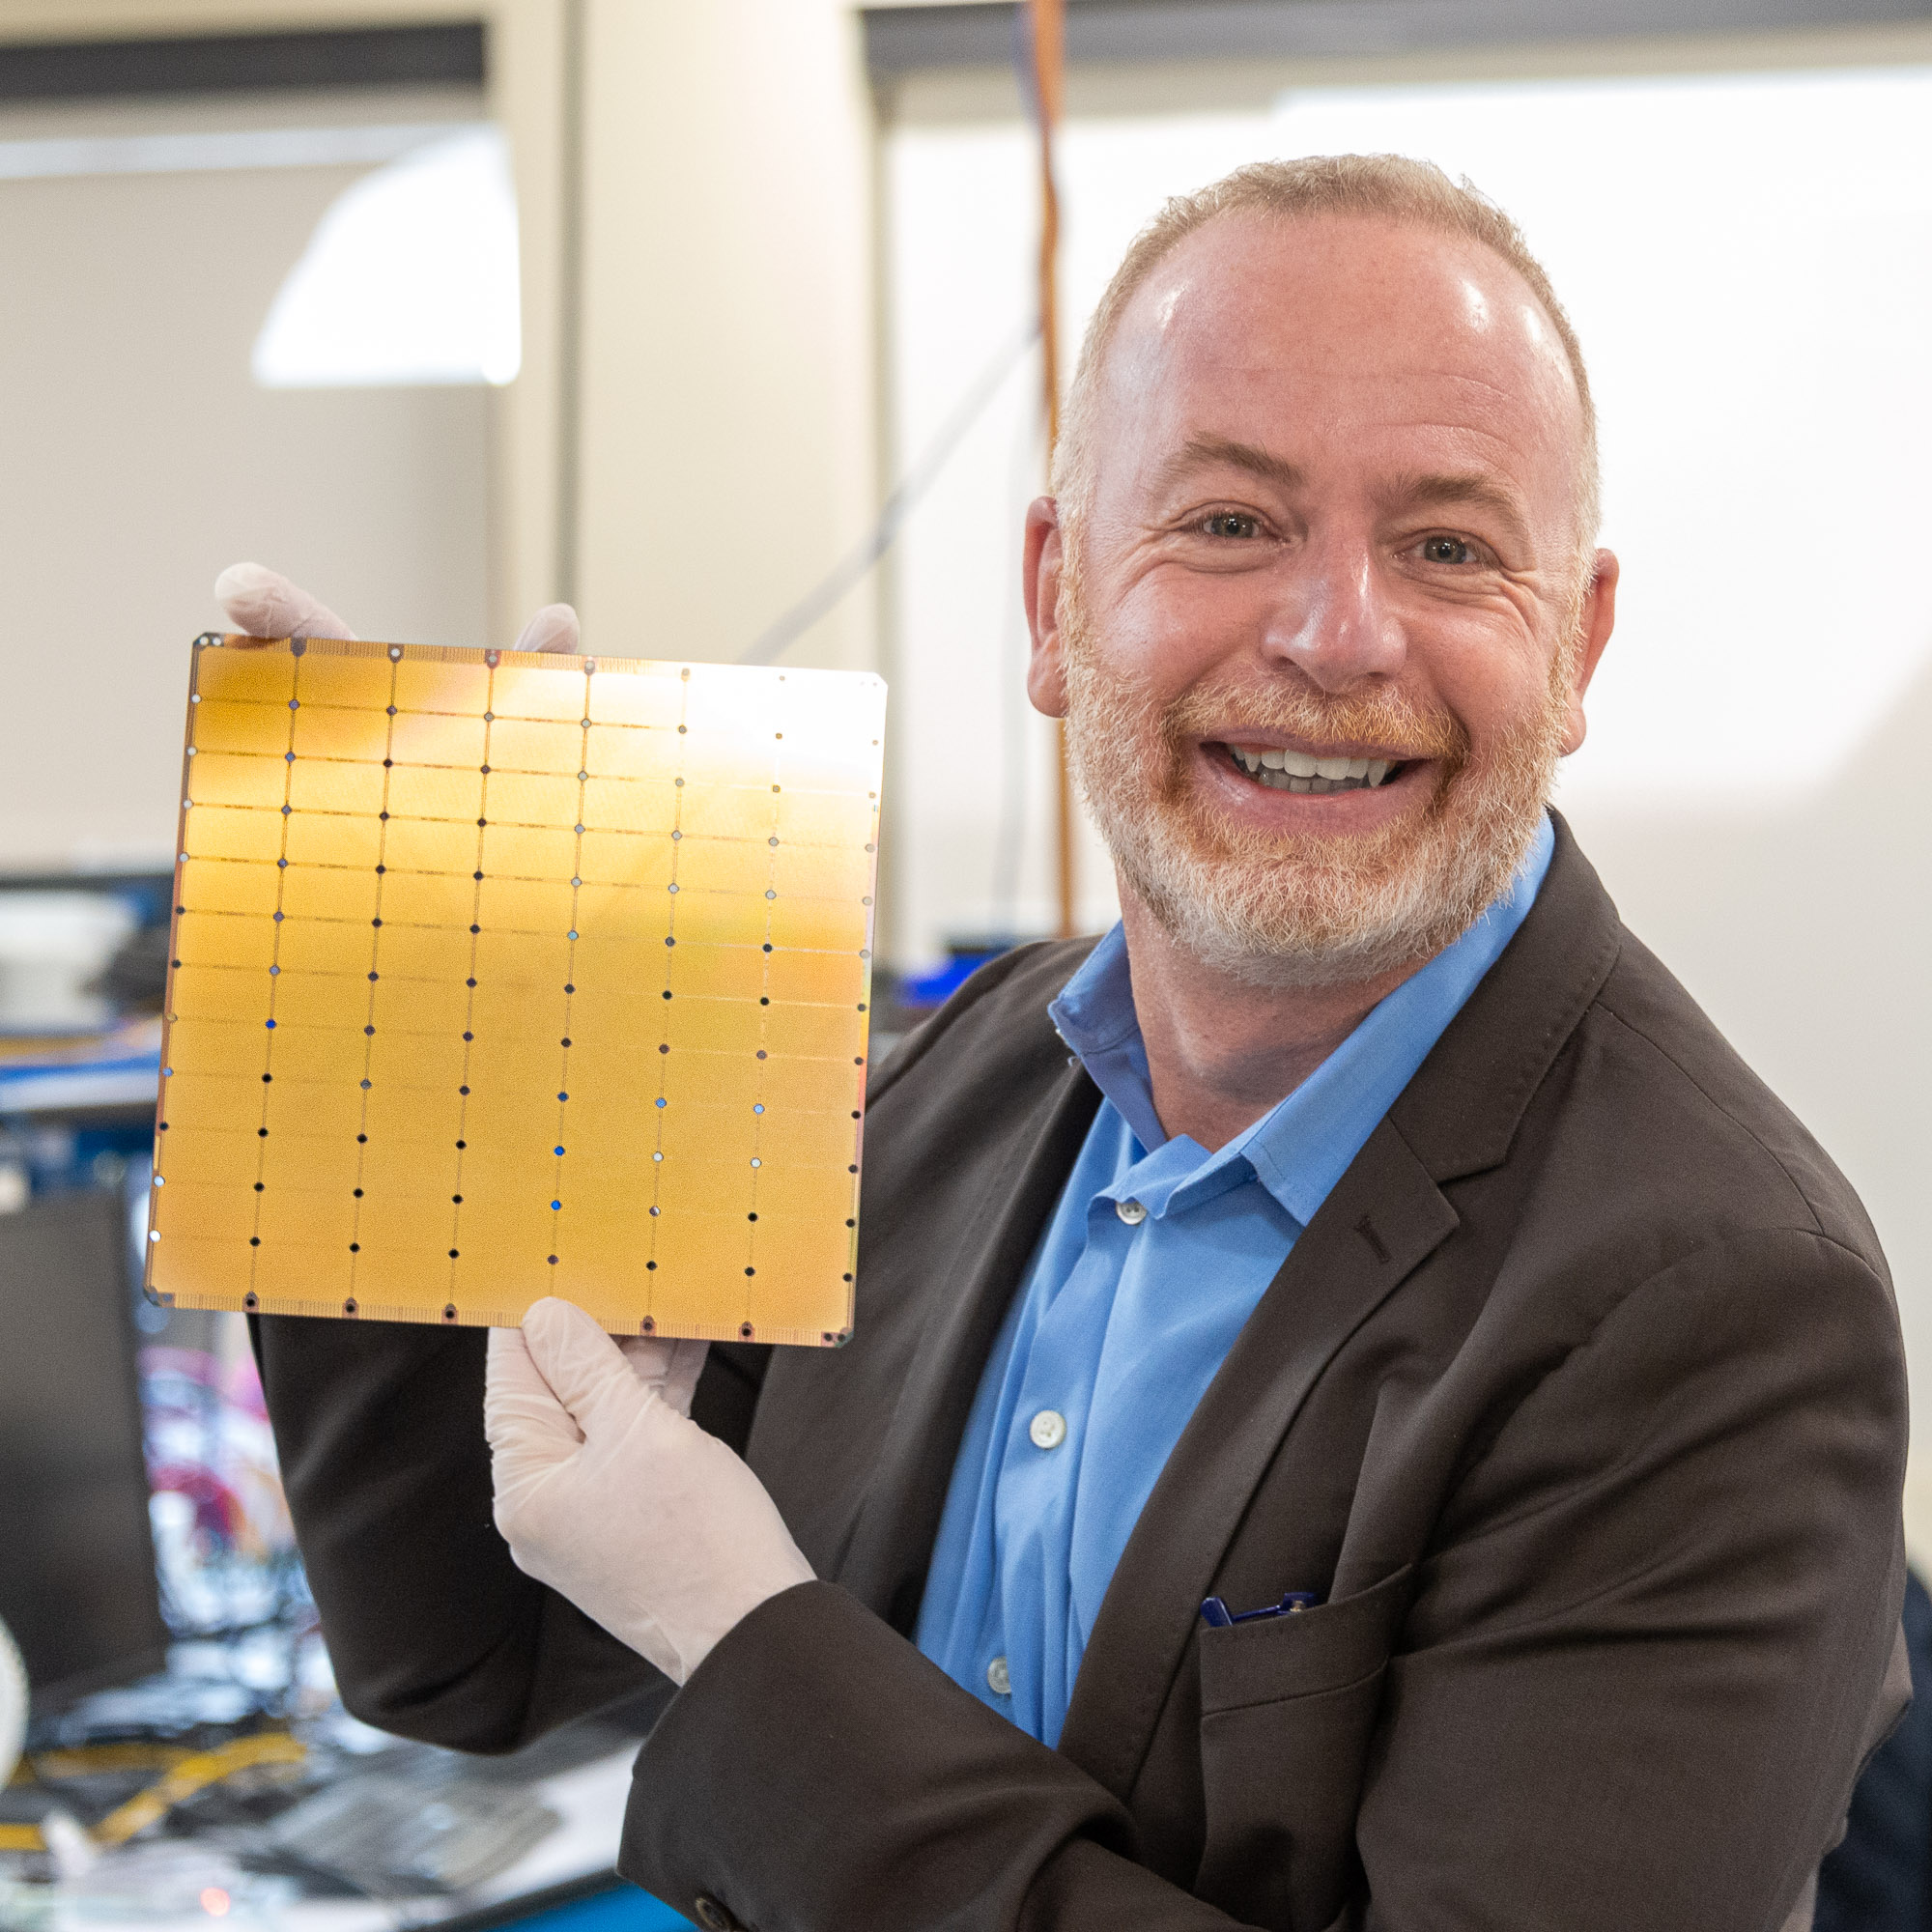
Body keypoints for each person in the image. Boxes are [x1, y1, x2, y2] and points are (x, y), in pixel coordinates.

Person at [237, 156, 1910, 1932]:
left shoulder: (1720, 1305)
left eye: (1447, 547)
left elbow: (722, 1653)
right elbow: (462, 1659)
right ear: (1052, 599)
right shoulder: (945, 1094)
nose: (1336, 634)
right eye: (1229, 522)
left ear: (1574, 645)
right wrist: (379, 1013)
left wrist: (747, 1639)